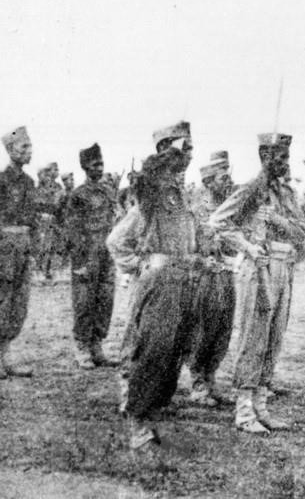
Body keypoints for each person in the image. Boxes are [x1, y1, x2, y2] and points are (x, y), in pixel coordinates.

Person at [208, 133, 305, 434]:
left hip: (284, 268)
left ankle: (262, 407)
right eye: (279, 157)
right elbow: (219, 221)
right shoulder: (252, 187)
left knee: (273, 339)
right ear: (264, 156)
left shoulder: (287, 193)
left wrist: (278, 221)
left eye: (286, 157)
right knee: (253, 337)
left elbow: (302, 232)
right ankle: (243, 411)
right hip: (258, 268)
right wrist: (248, 247)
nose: (284, 163)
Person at [106, 121, 198, 450]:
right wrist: (140, 266)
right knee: (153, 348)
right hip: (159, 281)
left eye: (191, 146)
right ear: (165, 151)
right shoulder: (153, 189)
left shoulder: (177, 192)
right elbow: (116, 241)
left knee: (173, 349)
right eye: (183, 147)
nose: (190, 153)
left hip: (182, 279)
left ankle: (153, 406)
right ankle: (137, 422)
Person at [186, 152, 237, 407]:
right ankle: (197, 382)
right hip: (203, 278)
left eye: (229, 175)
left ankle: (211, 377)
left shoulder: (232, 209)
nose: (228, 182)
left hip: (226, 276)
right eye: (222, 178)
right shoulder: (195, 210)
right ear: (208, 182)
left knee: (222, 330)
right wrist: (202, 261)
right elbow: (186, 248)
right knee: (202, 331)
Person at [65, 143, 119, 369]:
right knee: (84, 302)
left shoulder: (107, 192)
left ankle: (97, 345)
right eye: (95, 164)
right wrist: (80, 261)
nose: (100, 168)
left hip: (106, 254)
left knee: (105, 300)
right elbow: (73, 229)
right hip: (87, 256)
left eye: (101, 164)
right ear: (85, 167)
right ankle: (82, 347)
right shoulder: (78, 195)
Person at [0, 126, 36, 379]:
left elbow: (31, 216)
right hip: (5, 243)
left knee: (18, 304)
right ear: (11, 150)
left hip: (24, 243)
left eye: (30, 146)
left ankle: (6, 356)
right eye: (24, 147)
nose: (29, 151)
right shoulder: (2, 181)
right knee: (3, 300)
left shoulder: (29, 182)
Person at [33, 162, 64, 283]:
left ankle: (49, 272)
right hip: (40, 221)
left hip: (53, 220)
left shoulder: (57, 187)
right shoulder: (36, 189)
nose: (44, 176)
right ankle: (39, 272)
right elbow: (34, 205)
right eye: (41, 174)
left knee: (52, 247)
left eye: (46, 173)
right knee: (41, 247)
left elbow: (59, 204)